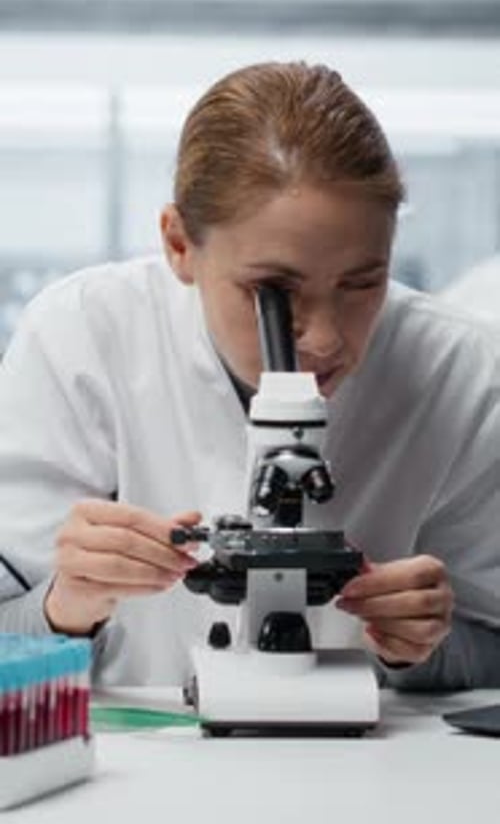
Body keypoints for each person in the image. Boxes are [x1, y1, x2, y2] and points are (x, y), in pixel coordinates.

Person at [0, 61, 499, 691]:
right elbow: (5, 635)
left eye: (361, 283)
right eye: (273, 291)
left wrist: (422, 647)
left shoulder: (462, 374)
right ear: (180, 244)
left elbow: (490, 652)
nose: (324, 338)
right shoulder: (81, 338)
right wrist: (62, 609)